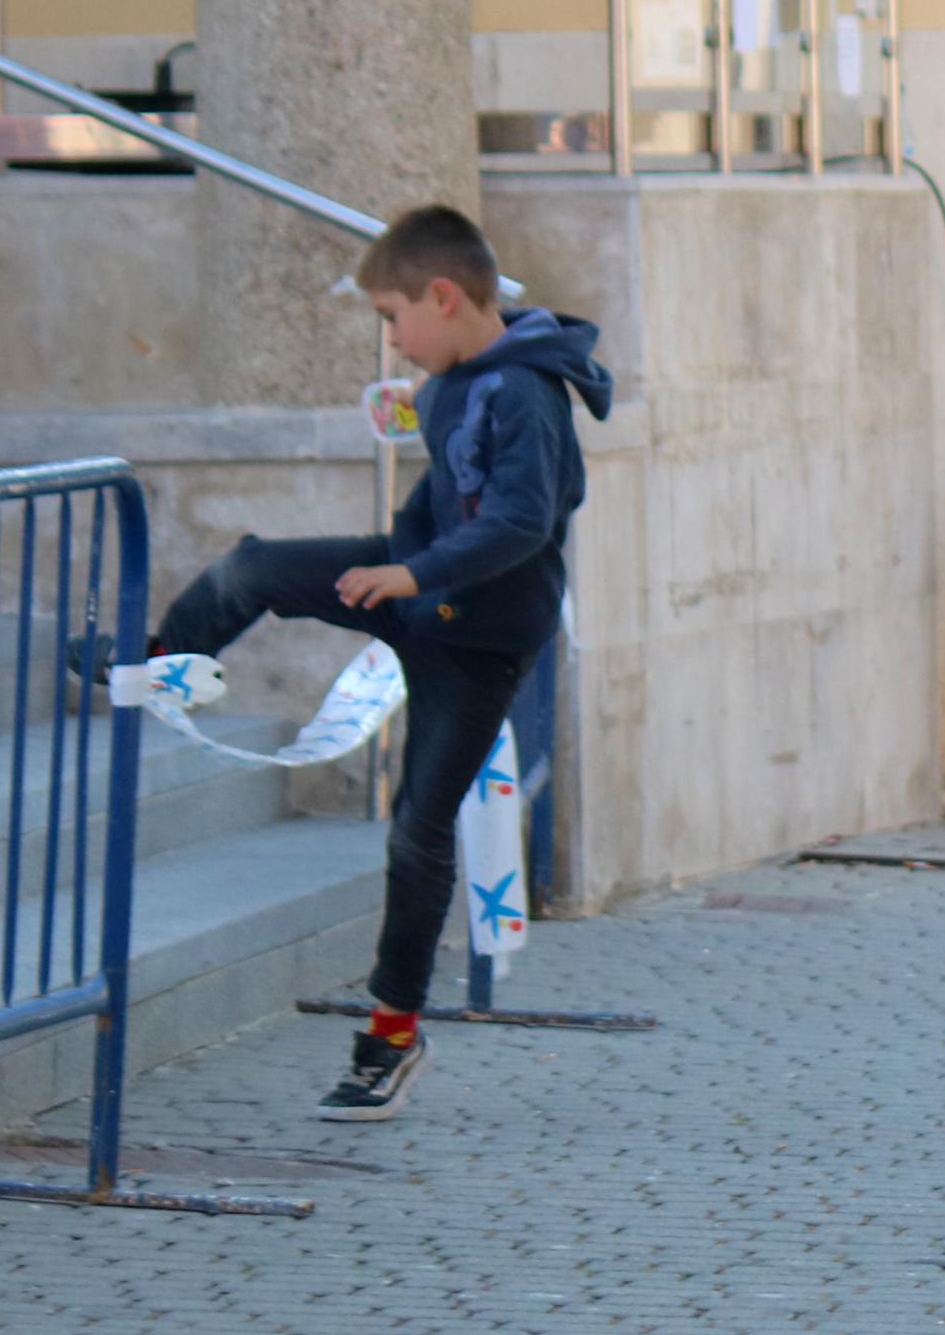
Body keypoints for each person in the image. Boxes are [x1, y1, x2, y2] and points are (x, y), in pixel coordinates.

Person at [139, 204, 613, 1113]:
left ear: (442, 296)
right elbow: (442, 485)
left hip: (477, 641)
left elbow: (521, 521)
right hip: (416, 589)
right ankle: (166, 658)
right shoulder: (452, 382)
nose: (391, 342)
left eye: (393, 318)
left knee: (416, 831)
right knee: (254, 566)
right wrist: (397, 559)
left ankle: (390, 1038)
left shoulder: (524, 394)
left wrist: (411, 571)